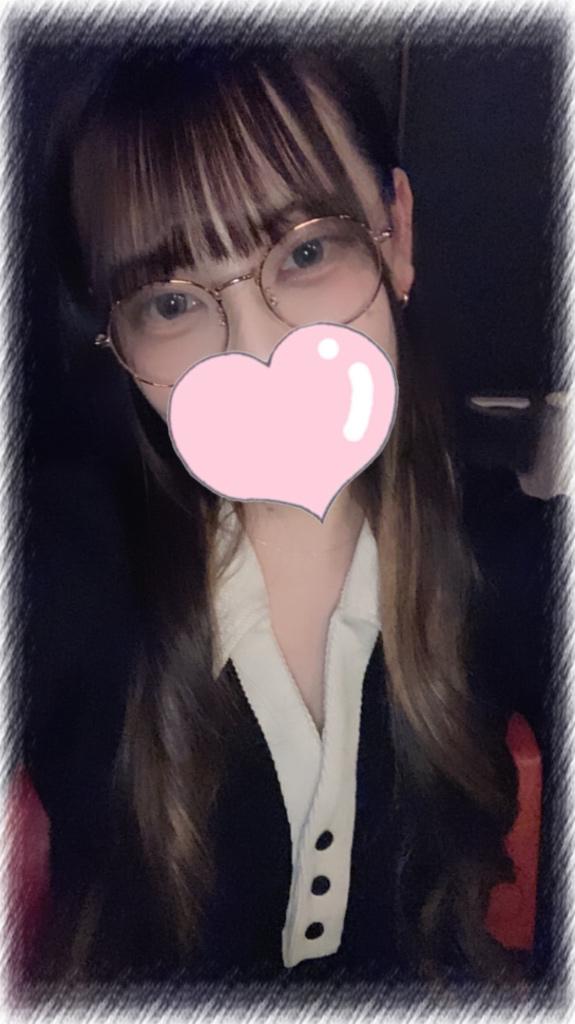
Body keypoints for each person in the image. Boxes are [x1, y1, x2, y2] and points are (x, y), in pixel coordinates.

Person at [22, 42, 559, 994]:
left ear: (394, 235)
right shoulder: (61, 564)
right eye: (172, 300)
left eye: (306, 251)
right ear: (115, 338)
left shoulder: (501, 551)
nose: (259, 352)